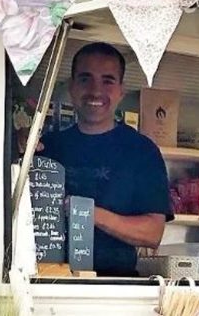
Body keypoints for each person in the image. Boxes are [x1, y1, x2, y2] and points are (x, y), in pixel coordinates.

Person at [38, 42, 173, 276]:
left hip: (116, 289)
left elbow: (153, 233)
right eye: (85, 78)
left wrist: (89, 213)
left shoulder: (142, 152)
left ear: (121, 91)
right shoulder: (47, 147)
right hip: (47, 283)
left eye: (108, 80)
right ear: (71, 87)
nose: (95, 90)